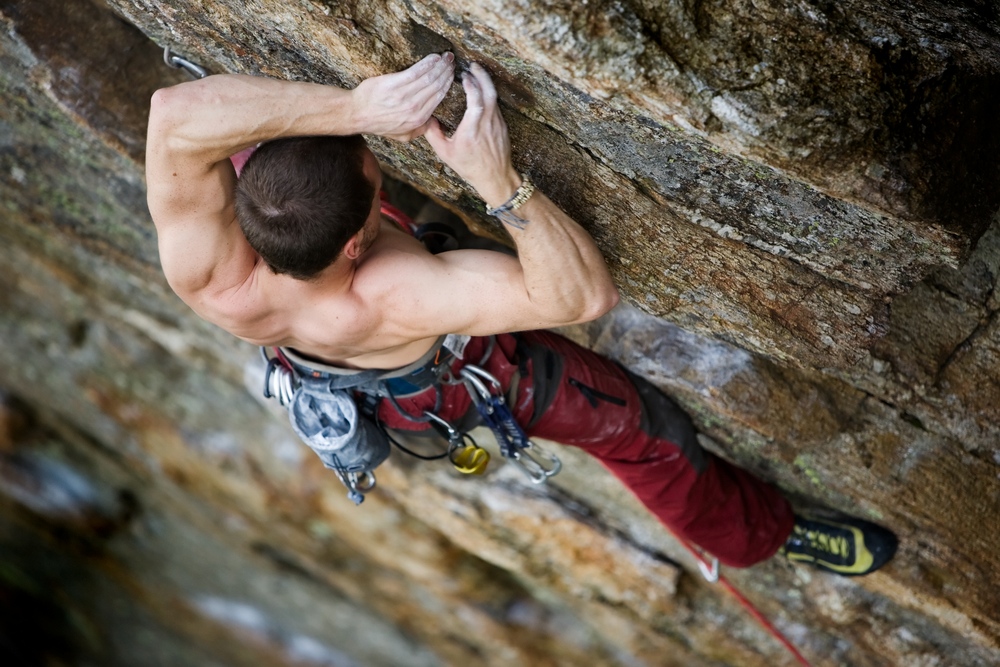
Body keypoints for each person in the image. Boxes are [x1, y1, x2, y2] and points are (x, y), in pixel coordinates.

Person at [146, 52, 896, 575]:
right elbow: (579, 298)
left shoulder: (210, 269)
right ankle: (764, 536)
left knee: (273, 172)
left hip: (319, 356)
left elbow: (175, 112)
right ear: (355, 242)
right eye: (373, 172)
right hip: (453, 372)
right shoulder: (399, 293)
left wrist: (354, 108)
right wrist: (496, 179)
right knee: (644, 434)